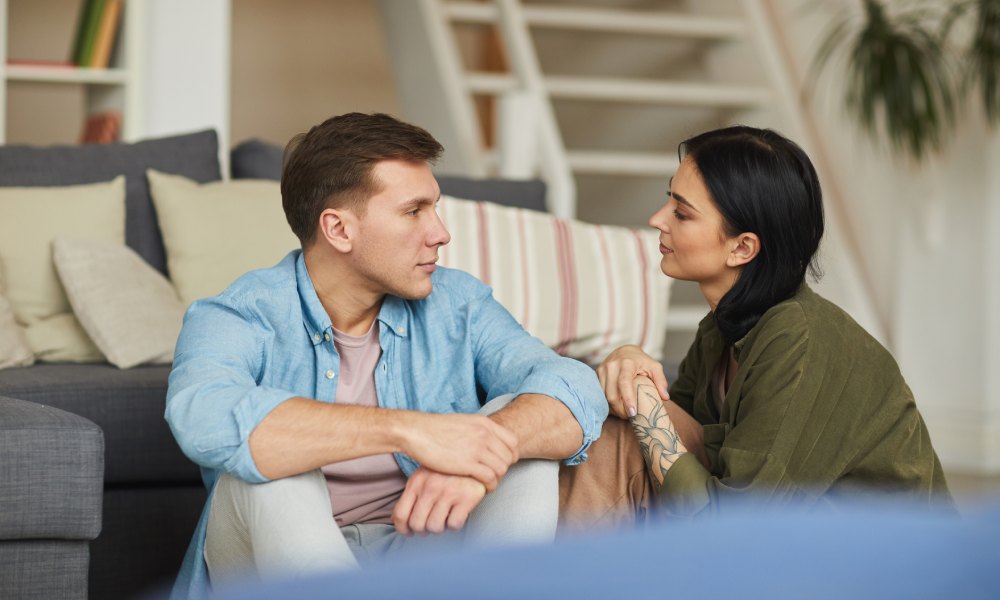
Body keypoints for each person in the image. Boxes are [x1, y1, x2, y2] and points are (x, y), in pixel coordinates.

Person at [164, 112, 607, 598]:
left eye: (434, 209)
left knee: (513, 427)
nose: (440, 233)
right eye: (414, 211)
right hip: (270, 566)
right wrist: (410, 430)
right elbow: (200, 415)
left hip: (423, 550)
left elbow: (570, 384)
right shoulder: (238, 314)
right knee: (275, 466)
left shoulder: (458, 303)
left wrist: (480, 454)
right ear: (338, 230)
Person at [562, 125, 951, 521]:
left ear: (743, 247)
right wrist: (631, 364)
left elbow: (733, 526)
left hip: (877, 568)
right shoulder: (721, 328)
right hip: (786, 547)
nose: (657, 219)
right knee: (616, 428)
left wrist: (642, 405)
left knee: (624, 430)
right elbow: (668, 434)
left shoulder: (798, 340)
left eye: (681, 212)